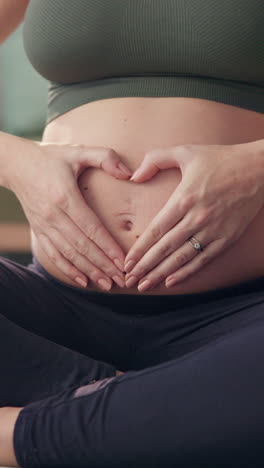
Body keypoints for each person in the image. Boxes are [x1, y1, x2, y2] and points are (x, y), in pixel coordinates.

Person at [1, 0, 264, 466]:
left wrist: (255, 167)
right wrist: (19, 164)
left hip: (245, 315)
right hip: (52, 314)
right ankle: (145, 413)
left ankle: (24, 437)